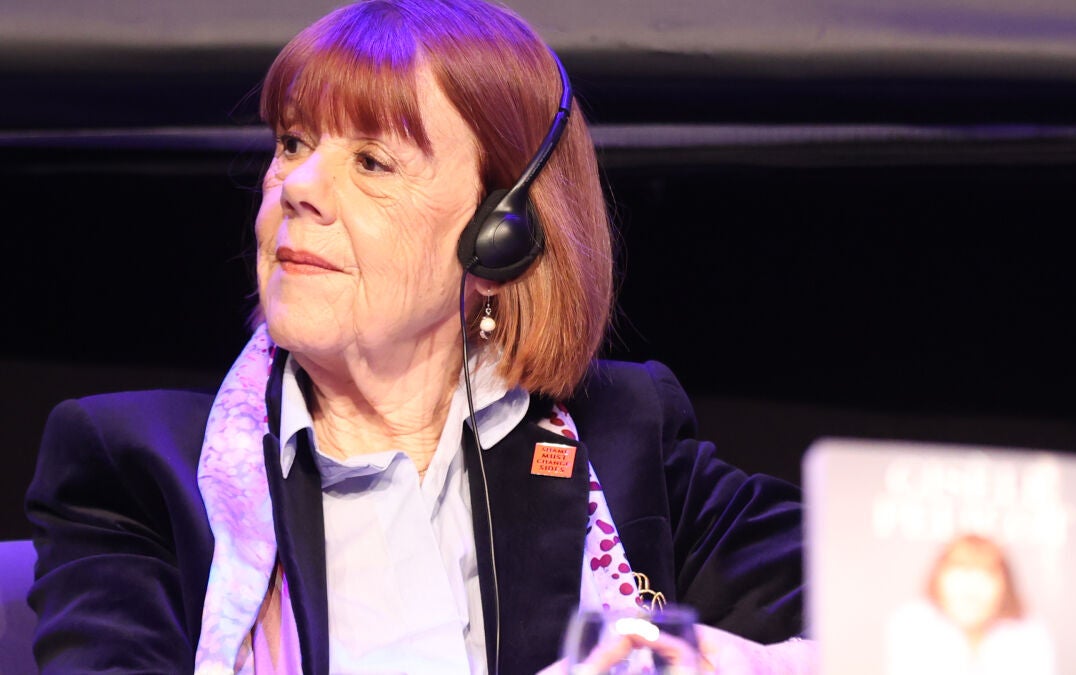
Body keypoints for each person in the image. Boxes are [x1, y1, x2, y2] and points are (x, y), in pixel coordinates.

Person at [24, 0, 813, 673]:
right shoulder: (137, 467)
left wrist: (700, 659)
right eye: (293, 143)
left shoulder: (623, 437)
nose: (298, 187)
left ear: (502, 236)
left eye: (372, 161)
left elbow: (875, 601)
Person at [885, 533, 1055, 675]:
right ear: (938, 579)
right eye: (961, 571)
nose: (971, 589)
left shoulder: (1029, 634)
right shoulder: (912, 625)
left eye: (985, 574)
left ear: (1004, 586)